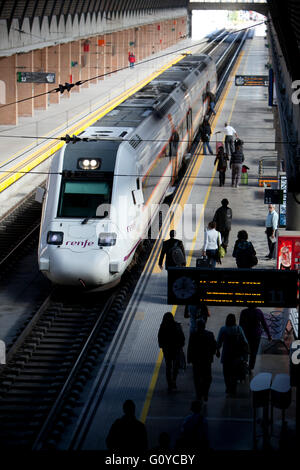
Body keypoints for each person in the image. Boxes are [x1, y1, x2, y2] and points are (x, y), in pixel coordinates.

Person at [216, 313, 248, 397]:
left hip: (226, 354)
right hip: (236, 355)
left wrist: (217, 350)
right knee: (234, 373)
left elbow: (219, 341)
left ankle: (228, 387)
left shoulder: (223, 329)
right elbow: (245, 342)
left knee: (226, 373)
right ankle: (233, 389)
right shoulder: (239, 329)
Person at [187, 319, 217, 402]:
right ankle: (205, 393)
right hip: (207, 360)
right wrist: (213, 353)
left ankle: (198, 394)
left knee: (197, 378)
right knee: (207, 378)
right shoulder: (210, 334)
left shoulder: (193, 335)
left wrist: (189, 359)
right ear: (204, 326)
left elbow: (190, 347)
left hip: (196, 361)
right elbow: (214, 346)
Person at [239, 305, 272, 373]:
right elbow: (264, 324)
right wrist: (268, 335)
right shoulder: (259, 312)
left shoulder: (244, 312)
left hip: (246, 334)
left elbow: (240, 325)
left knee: (244, 351)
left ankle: (244, 365)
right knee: (253, 352)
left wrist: (239, 336)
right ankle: (250, 368)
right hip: (256, 335)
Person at [158, 312, 185, 391]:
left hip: (167, 350)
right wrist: (181, 345)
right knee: (175, 366)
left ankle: (169, 383)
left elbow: (160, 337)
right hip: (176, 349)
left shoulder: (163, 326)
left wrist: (162, 346)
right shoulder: (177, 325)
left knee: (168, 366)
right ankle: (174, 381)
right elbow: (182, 337)